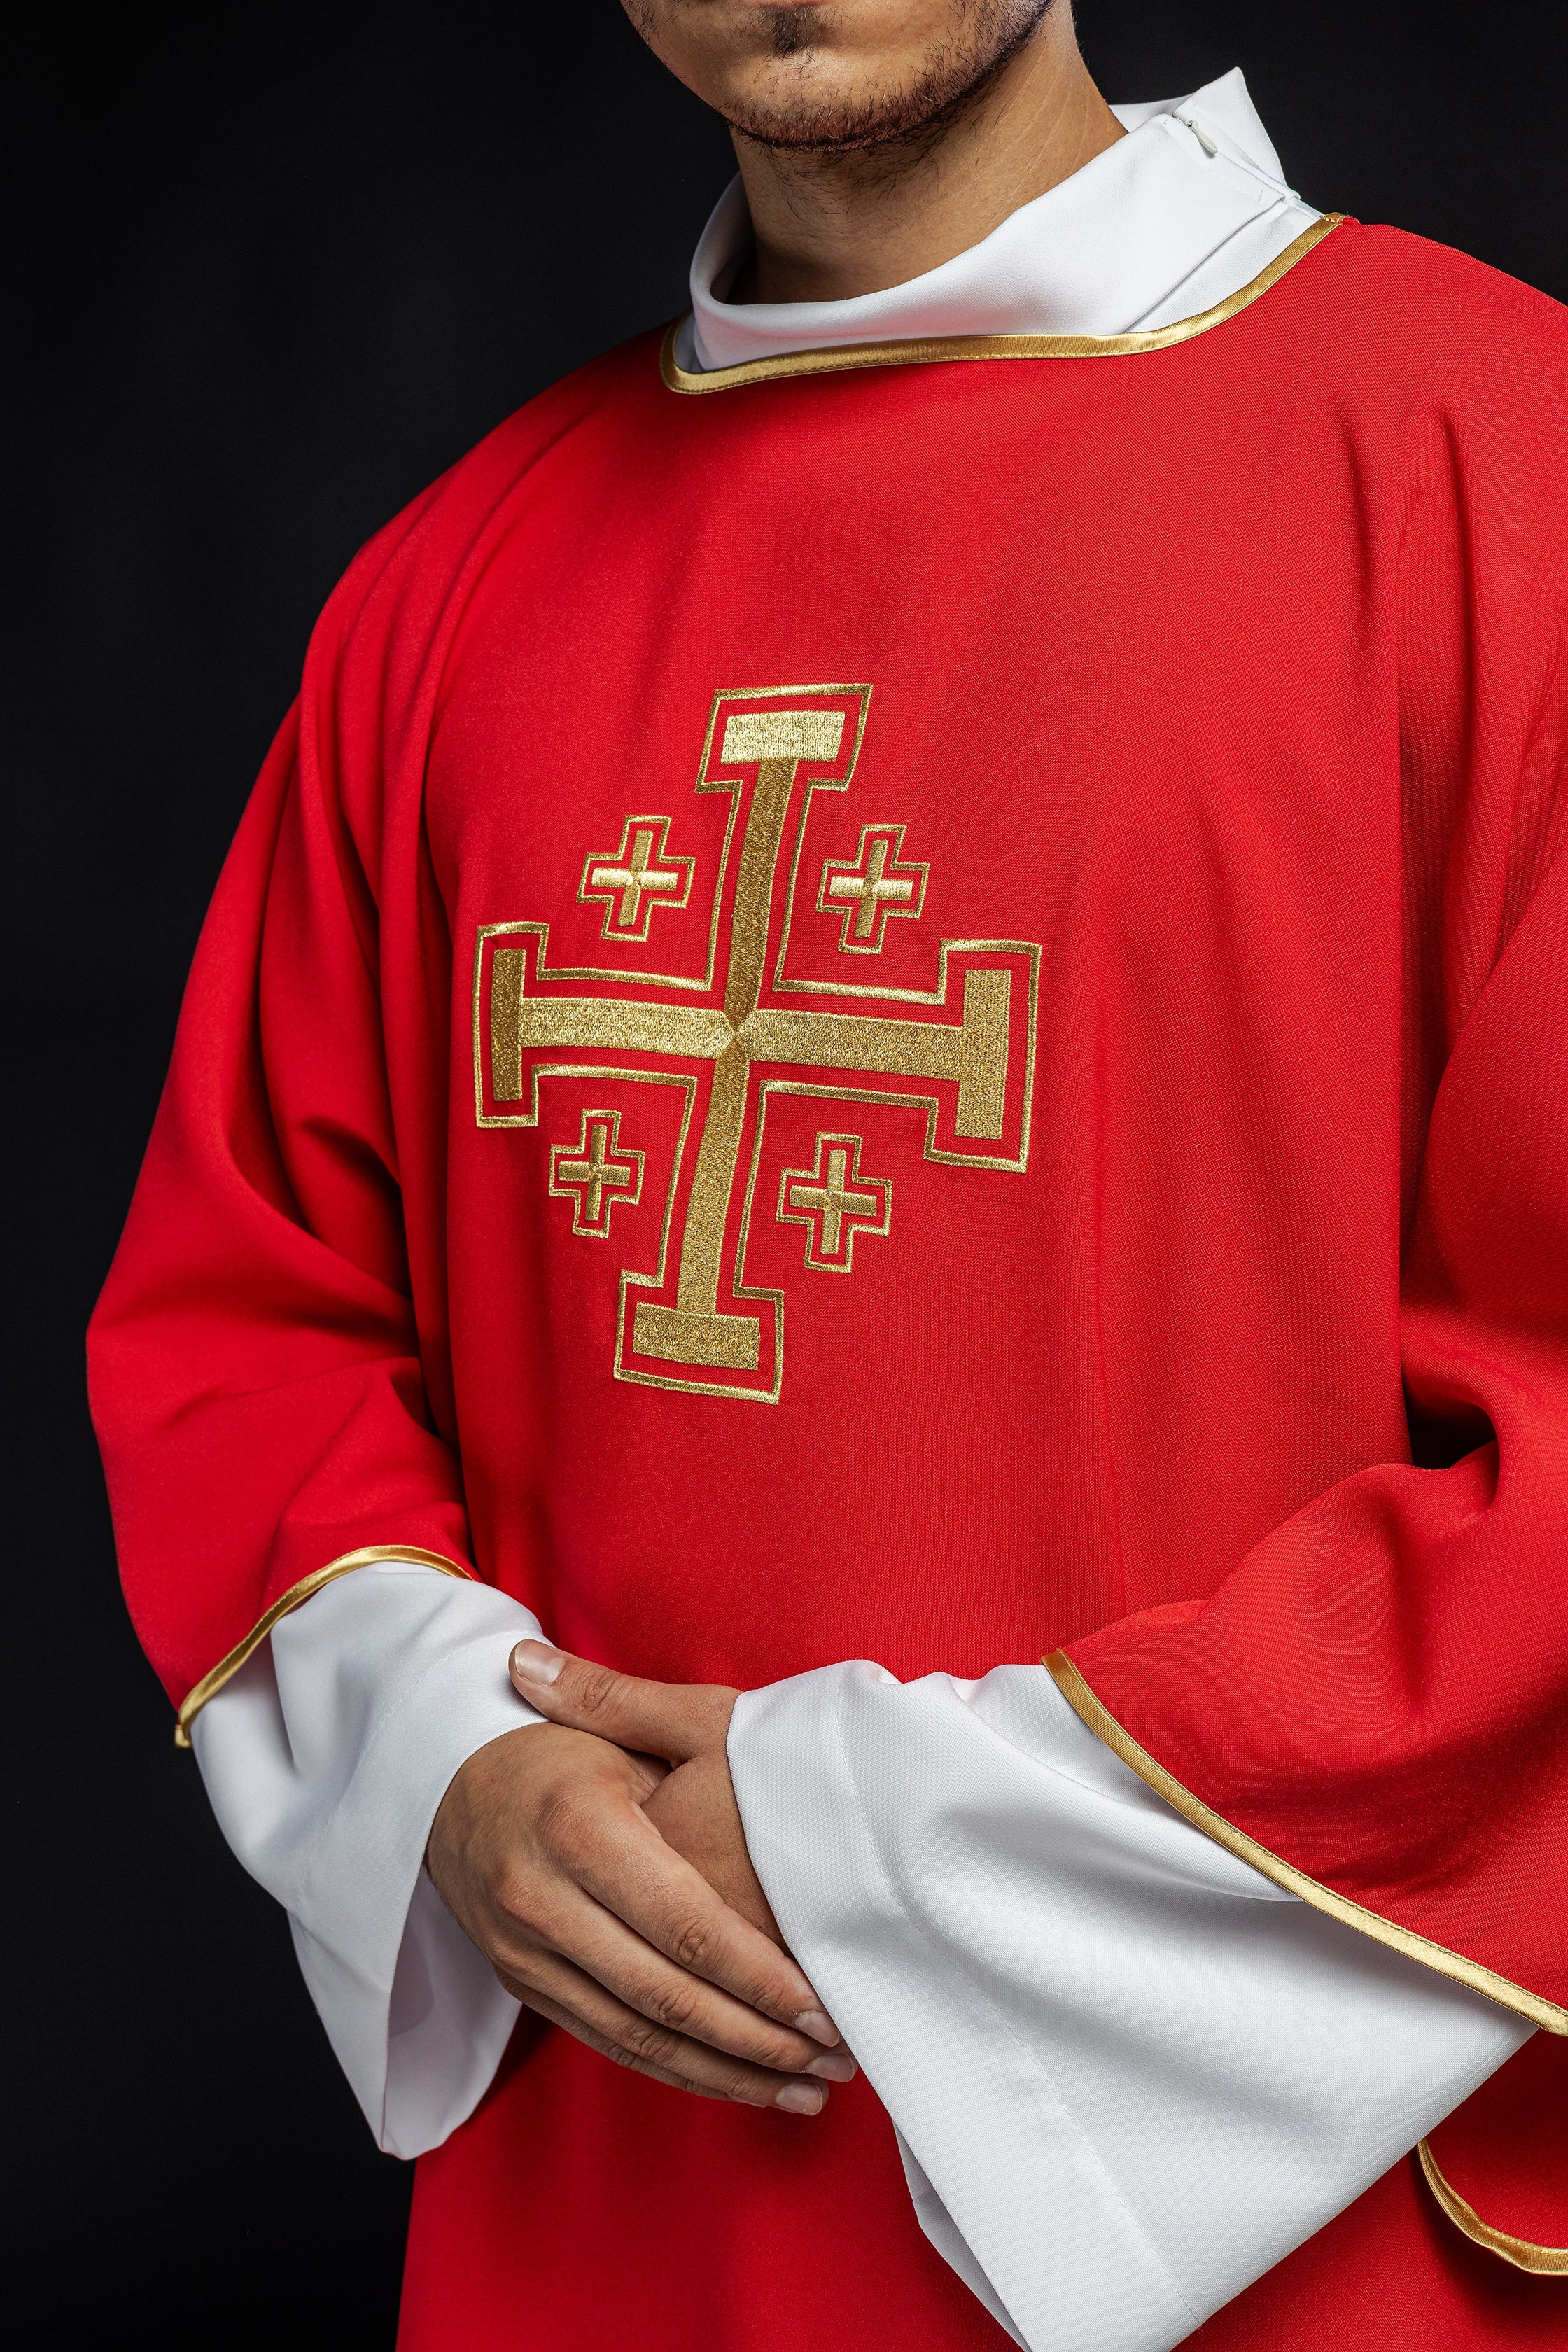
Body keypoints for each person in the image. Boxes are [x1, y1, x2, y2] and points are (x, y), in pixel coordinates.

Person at [89, 4, 1567, 2346]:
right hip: (612, 2210)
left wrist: (890, 1836)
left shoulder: (1506, 475)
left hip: (1293, 2250)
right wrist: (449, 1758)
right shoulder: (441, 595)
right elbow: (254, 1318)